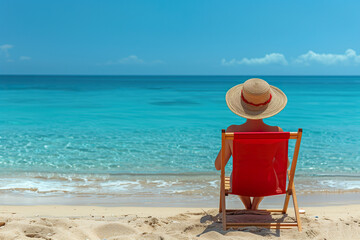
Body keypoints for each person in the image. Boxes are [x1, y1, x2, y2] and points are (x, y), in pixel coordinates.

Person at [214, 78, 288, 210]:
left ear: (242, 104)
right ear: (268, 104)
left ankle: (249, 207)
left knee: (240, 175)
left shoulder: (231, 131)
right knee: (265, 171)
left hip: (239, 185)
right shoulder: (277, 131)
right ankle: (255, 206)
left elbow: (219, 166)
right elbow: (285, 164)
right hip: (268, 185)